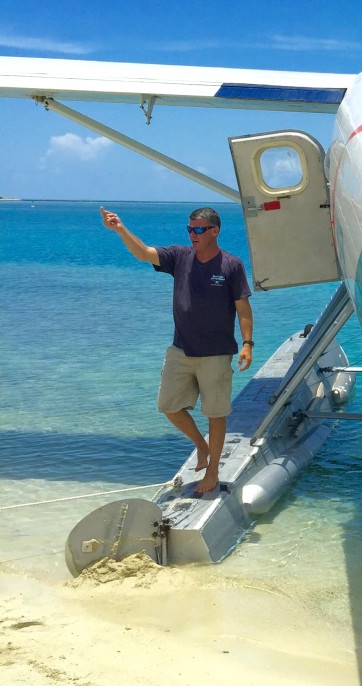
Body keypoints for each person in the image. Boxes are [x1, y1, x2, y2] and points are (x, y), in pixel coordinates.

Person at [100, 205, 254, 494]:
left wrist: (247, 344)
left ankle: (212, 472)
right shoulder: (180, 257)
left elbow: (243, 308)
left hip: (217, 354)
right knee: (168, 406)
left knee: (215, 413)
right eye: (189, 229)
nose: (192, 234)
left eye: (198, 230)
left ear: (214, 231)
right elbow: (143, 253)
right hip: (181, 350)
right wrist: (119, 229)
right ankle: (201, 445)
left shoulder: (231, 265)